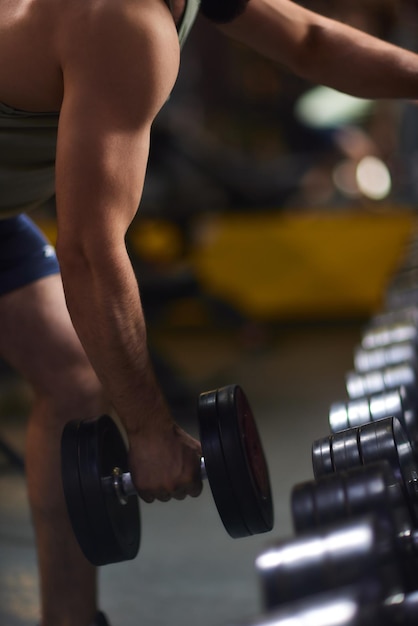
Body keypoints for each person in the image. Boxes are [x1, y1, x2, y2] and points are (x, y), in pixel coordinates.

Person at [0, 0, 418, 624]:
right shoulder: (123, 21)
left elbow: (308, 40)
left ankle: (70, 618)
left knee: (73, 381)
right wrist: (147, 430)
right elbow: (88, 250)